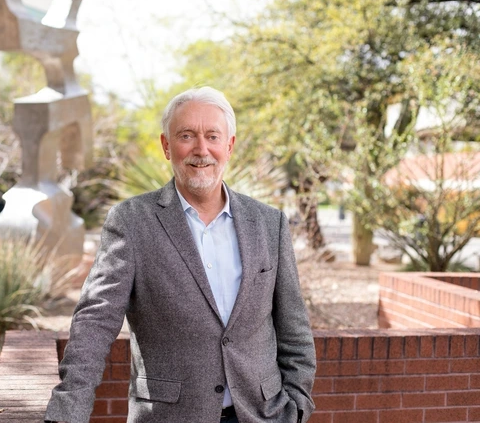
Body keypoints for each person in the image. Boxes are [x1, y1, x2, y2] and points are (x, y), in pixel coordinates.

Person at [44, 87, 316, 423]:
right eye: (187, 135)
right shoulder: (132, 221)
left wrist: (298, 405)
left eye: (212, 136)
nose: (202, 150)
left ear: (229, 146)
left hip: (264, 414)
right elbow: (95, 320)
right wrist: (68, 409)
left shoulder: (268, 222)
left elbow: (293, 326)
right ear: (166, 146)